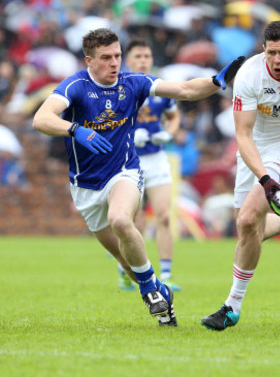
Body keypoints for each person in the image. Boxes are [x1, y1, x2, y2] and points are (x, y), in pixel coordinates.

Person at [32, 28, 244, 327]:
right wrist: (76, 130)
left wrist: (215, 82)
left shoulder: (134, 83)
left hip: (124, 171)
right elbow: (41, 118)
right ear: (89, 60)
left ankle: (149, 290)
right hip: (85, 186)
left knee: (122, 219)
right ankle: (162, 294)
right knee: (127, 262)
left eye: (117, 56)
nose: (114, 63)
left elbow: (184, 90)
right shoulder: (75, 86)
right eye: (106, 58)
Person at [200, 21, 280, 331]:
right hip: (252, 150)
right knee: (247, 229)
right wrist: (264, 179)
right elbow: (242, 135)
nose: (276, 60)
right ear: (263, 49)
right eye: (271, 52)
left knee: (248, 220)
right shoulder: (248, 73)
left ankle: (231, 308)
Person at [113, 39, 182, 292]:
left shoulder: (158, 87)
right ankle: (125, 269)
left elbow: (173, 116)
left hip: (156, 158)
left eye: (147, 55)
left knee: (164, 215)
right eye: (138, 56)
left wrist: (169, 132)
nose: (143, 60)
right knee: (131, 219)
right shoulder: (119, 88)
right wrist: (130, 134)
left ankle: (166, 273)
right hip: (129, 160)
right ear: (128, 60)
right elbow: (109, 121)